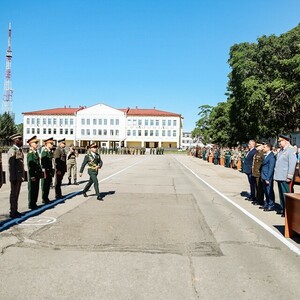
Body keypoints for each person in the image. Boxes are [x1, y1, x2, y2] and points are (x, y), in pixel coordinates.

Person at [273, 134, 297, 217]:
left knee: (286, 194)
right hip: (280, 176)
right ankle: (283, 209)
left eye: (280, 141)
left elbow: (292, 164)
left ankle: (288, 211)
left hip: (285, 176)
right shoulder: (281, 150)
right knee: (281, 194)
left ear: (286, 141)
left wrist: (289, 176)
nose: (279, 143)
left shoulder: (291, 150)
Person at [7, 133, 25, 218]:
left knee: (16, 194)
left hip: (19, 176)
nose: (21, 141)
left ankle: (15, 210)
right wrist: (13, 177)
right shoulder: (12, 150)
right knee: (13, 194)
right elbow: (11, 165)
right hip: (15, 177)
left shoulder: (19, 150)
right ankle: (12, 212)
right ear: (15, 141)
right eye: (20, 139)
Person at [27, 135, 43, 210]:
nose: (37, 144)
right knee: (32, 189)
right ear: (31, 144)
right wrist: (32, 176)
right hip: (33, 175)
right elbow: (30, 166)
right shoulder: (30, 153)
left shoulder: (35, 153)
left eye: (37, 143)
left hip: (37, 174)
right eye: (35, 143)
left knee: (36, 189)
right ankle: (31, 204)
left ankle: (34, 203)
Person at [260, 143, 276, 211]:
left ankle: (271, 205)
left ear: (268, 148)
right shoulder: (266, 155)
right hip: (264, 175)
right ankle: (266, 203)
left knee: (269, 191)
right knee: (265, 191)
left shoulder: (271, 156)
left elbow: (271, 168)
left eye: (264, 147)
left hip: (267, 176)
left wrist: (268, 178)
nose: (263, 148)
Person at [40, 137, 54, 204]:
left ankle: (46, 198)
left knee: (48, 185)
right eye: (50, 143)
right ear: (46, 144)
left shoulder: (49, 152)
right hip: (46, 171)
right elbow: (43, 163)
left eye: (52, 143)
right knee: (45, 185)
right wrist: (44, 172)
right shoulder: (45, 152)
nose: (52, 145)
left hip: (49, 171)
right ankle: (44, 198)